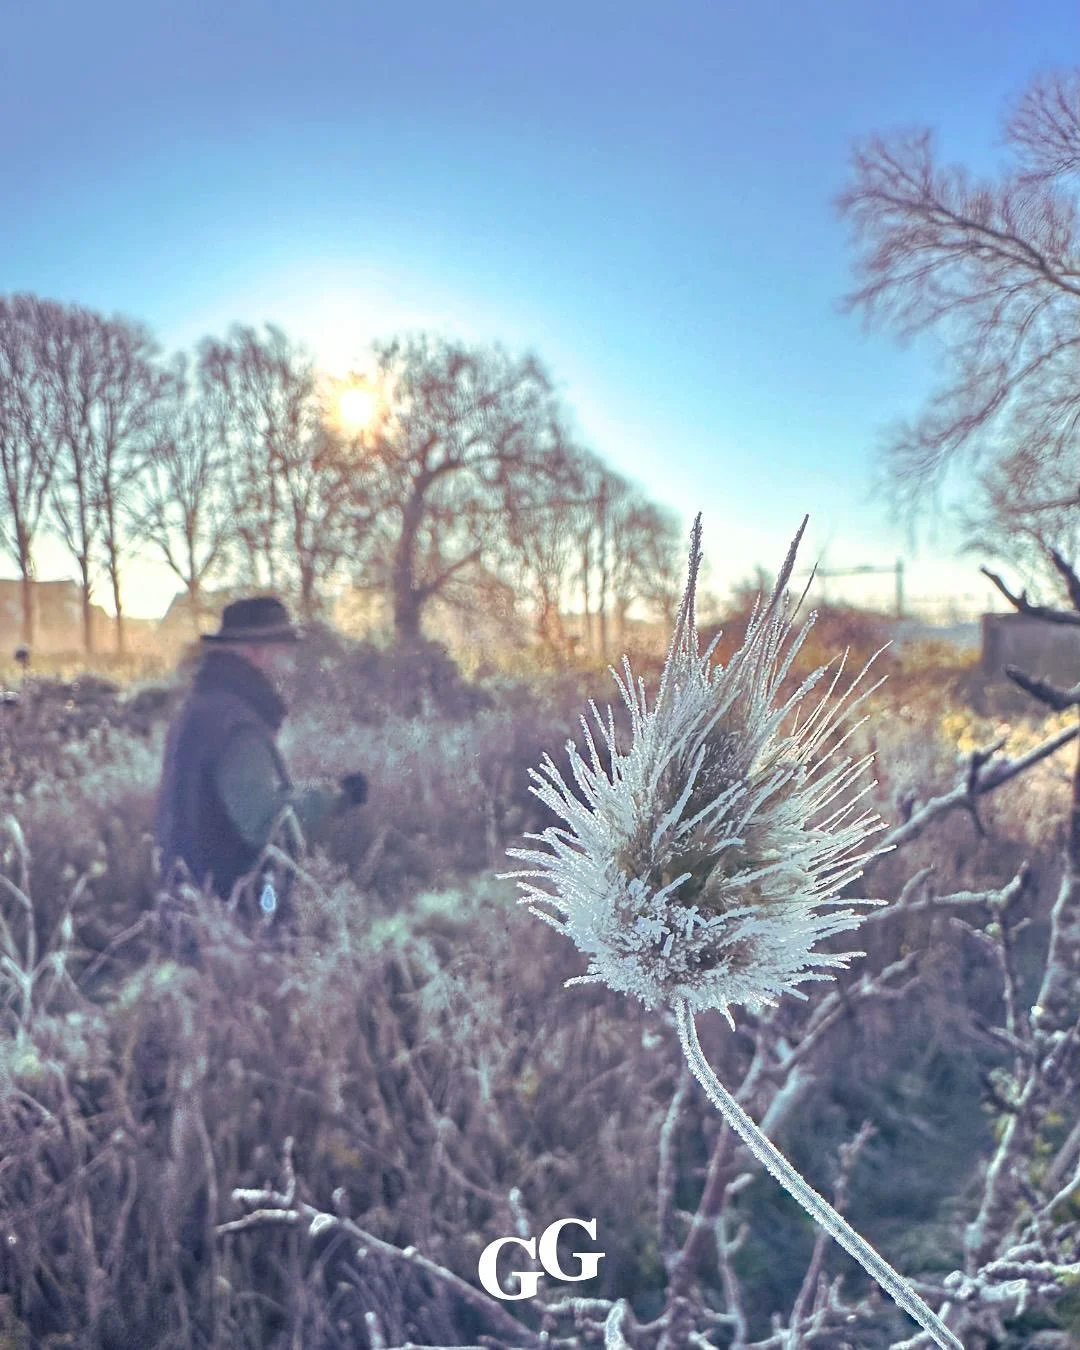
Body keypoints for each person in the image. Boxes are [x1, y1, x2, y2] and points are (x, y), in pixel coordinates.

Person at [153, 595, 367, 936]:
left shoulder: (202, 709)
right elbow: (267, 823)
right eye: (283, 645)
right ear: (254, 650)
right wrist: (336, 797)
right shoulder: (235, 724)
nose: (290, 658)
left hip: (192, 909)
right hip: (235, 918)